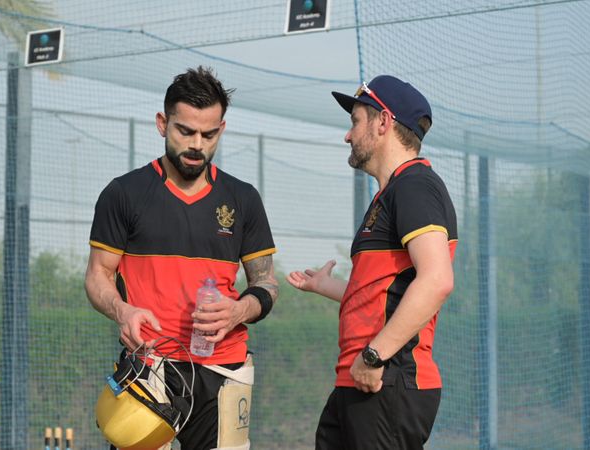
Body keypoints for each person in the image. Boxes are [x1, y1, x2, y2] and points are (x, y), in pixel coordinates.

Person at [85, 66, 278, 450]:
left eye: (208, 134)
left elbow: (266, 282)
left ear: (220, 131)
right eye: (185, 131)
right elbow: (97, 277)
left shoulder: (243, 199)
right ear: (162, 124)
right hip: (149, 367)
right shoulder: (123, 194)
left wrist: (238, 311)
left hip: (225, 368)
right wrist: (124, 312)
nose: (196, 144)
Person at [287, 75, 457, 450]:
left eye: (355, 121)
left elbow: (437, 280)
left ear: (383, 122)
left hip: (387, 379)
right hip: (361, 379)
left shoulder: (415, 185)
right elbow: (386, 290)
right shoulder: (391, 193)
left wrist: (375, 354)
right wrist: (327, 287)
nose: (348, 135)